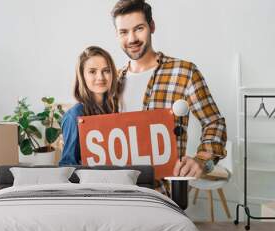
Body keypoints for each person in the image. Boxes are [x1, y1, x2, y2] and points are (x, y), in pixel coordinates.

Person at [111, 0, 227, 194]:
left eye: (139, 28)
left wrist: (201, 160)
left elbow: (214, 122)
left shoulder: (184, 72)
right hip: (119, 192)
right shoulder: (112, 81)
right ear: (117, 35)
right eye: (123, 32)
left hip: (166, 195)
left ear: (152, 26)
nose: (131, 38)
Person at [59, 46, 121, 166]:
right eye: (92, 71)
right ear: (82, 76)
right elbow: (67, 166)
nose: (100, 77)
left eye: (106, 70)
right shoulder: (74, 116)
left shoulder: (117, 109)